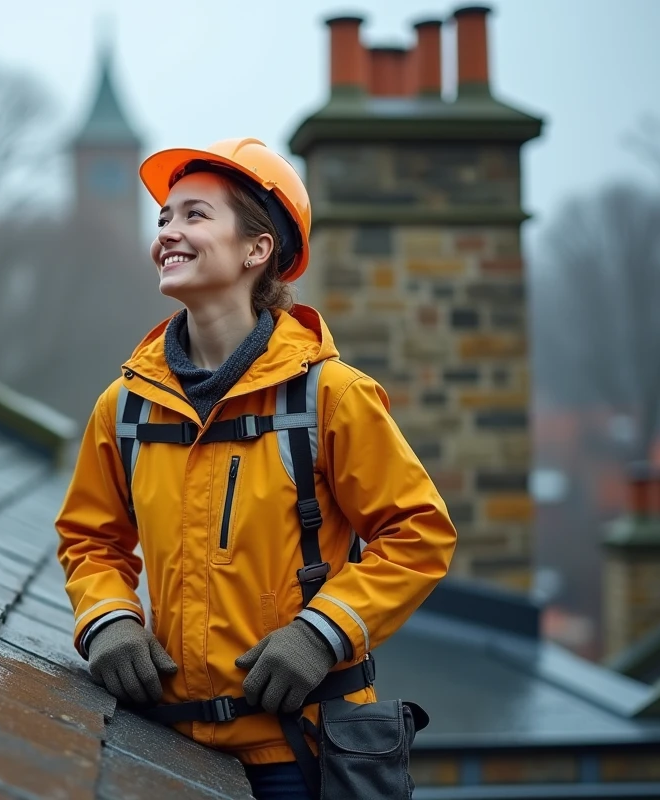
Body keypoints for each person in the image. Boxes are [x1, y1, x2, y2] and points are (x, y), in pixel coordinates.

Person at [55, 138, 457, 799]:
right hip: (164, 750)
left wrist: (319, 634)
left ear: (256, 248)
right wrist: (108, 620)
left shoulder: (332, 396)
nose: (169, 233)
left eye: (194, 216)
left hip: (302, 757)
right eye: (163, 219)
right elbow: (88, 538)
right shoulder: (123, 406)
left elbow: (419, 535)